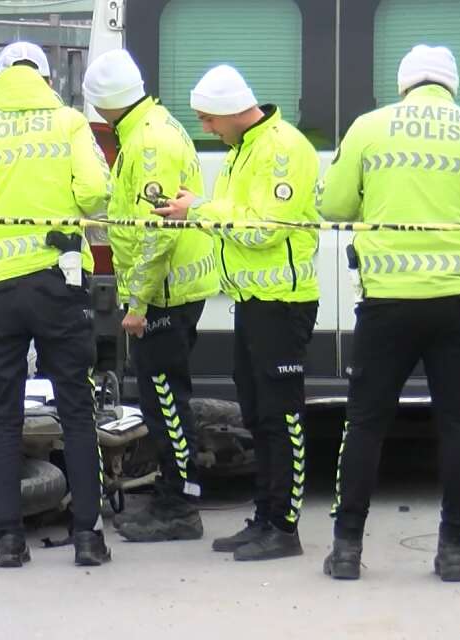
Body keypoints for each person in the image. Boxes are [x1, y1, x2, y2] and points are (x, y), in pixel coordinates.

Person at [316, 45, 460, 582]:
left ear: (404, 83)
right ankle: (455, 551)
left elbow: (334, 206)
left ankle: (346, 551)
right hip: (457, 305)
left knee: (365, 422)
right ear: (452, 85)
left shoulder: (368, 127)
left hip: (386, 301)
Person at [0, 41, 113, 568]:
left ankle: (9, 539)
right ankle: (86, 538)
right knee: (76, 408)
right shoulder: (70, 123)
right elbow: (95, 191)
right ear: (47, 78)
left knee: (2, 415)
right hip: (58, 284)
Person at [154, 64, 320, 561]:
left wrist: (198, 212)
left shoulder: (282, 149)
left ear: (229, 111)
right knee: (259, 415)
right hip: (253, 301)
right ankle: (265, 517)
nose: (205, 128)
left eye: (208, 119)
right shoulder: (242, 151)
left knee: (281, 415)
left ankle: (285, 527)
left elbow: (262, 229)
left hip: (282, 304)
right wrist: (201, 209)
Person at [81, 49, 218, 542]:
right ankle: (173, 496)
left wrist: (137, 304)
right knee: (167, 396)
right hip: (174, 286)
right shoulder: (155, 123)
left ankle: (179, 506)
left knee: (165, 399)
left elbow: (157, 231)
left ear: (102, 104)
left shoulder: (147, 141)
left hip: (165, 292)